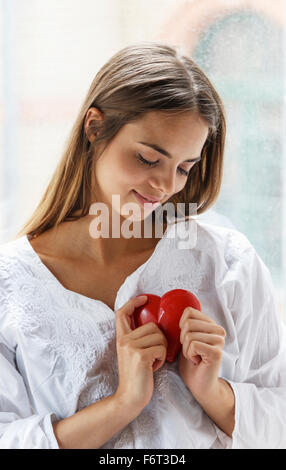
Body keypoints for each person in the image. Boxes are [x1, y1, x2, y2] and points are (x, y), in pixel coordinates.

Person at [0, 41, 286, 450]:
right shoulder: (9, 286)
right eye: (149, 159)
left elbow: (280, 421)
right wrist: (122, 404)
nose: (166, 186)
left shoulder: (227, 262)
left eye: (185, 167)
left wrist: (212, 390)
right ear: (94, 128)